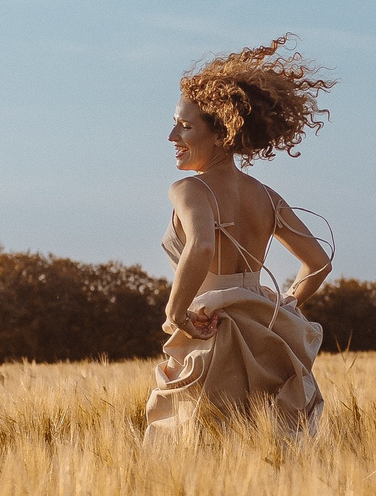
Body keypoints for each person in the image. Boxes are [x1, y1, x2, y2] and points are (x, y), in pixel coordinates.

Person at [143, 37, 337, 441]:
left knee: (197, 451)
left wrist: (176, 314)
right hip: (266, 334)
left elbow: (202, 246)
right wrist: (284, 304)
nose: (171, 135)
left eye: (185, 125)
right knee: (270, 452)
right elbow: (319, 263)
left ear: (221, 134)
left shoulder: (189, 190)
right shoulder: (266, 196)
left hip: (209, 332)